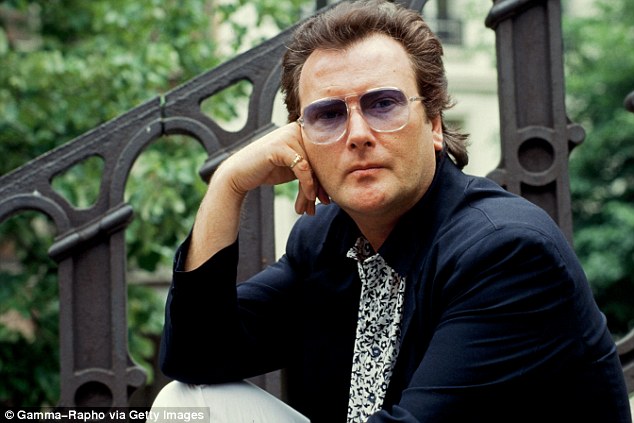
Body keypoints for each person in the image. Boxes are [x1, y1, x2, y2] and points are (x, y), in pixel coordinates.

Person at [153, 1, 632, 422]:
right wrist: (229, 183)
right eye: (328, 115)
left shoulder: (508, 253)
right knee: (189, 403)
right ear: (300, 140)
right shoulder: (325, 241)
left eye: (383, 104)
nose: (358, 134)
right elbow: (195, 356)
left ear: (434, 125)